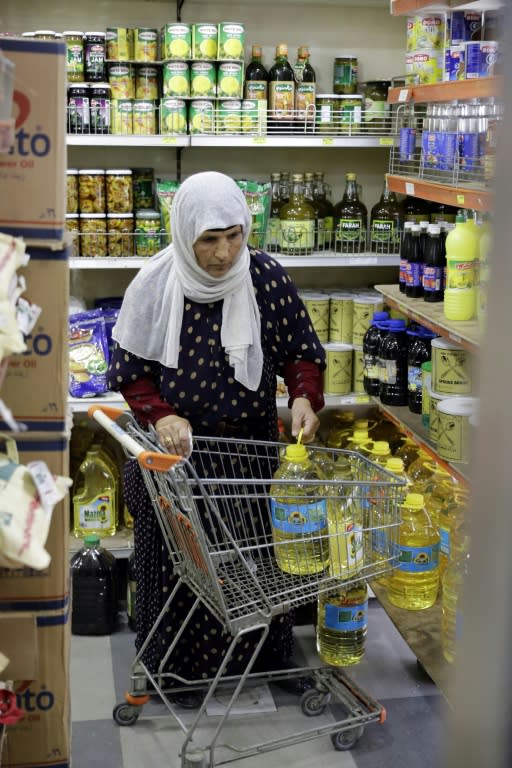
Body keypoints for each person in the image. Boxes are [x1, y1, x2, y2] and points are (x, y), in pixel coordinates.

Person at [107, 171, 326, 703]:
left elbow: (301, 352)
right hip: (174, 459)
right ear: (184, 234)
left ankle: (264, 657)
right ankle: (175, 669)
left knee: (255, 558)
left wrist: (302, 396)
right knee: (177, 565)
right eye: (209, 239)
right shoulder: (156, 284)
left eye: (234, 235)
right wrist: (160, 415)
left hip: (246, 449)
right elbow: (129, 371)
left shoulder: (266, 278)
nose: (225, 253)